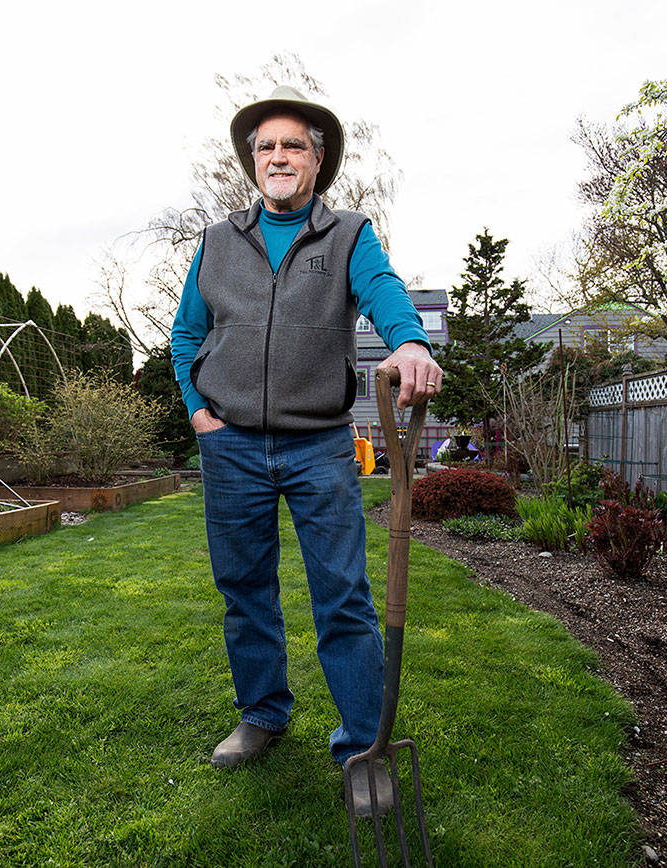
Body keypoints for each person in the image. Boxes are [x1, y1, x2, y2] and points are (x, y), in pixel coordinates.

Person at [170, 86, 442, 816]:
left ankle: (363, 746)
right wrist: (200, 414)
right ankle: (262, 714)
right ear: (252, 163)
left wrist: (410, 339)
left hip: (320, 446)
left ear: (317, 162)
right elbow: (186, 336)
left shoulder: (350, 234)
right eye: (267, 146)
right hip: (230, 448)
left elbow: (384, 291)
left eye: (294, 145)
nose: (279, 156)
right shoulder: (217, 241)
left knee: (343, 598)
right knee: (244, 592)